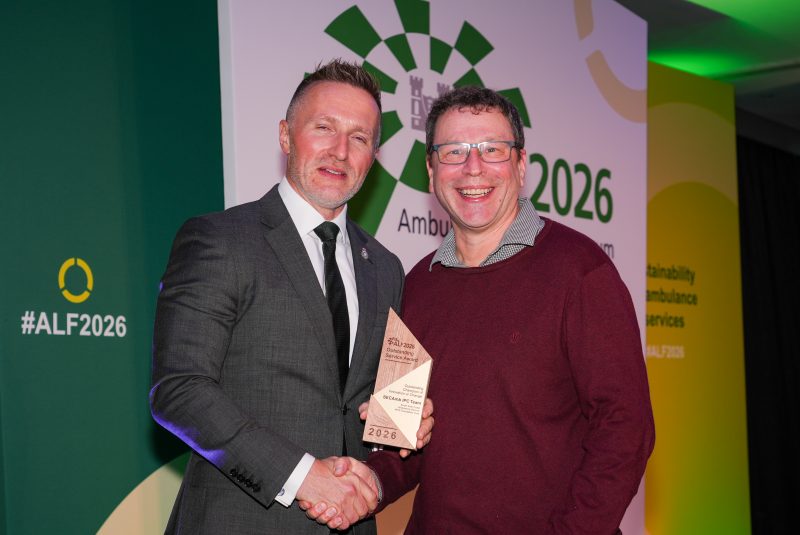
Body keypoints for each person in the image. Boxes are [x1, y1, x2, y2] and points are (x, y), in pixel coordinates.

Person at [317, 86, 655, 533]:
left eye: (492, 149)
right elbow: (398, 434)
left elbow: (625, 431)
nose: (473, 168)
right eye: (454, 151)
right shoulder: (417, 285)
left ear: (520, 164)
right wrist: (367, 486)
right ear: (431, 170)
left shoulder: (580, 271)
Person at [150, 59, 431, 535]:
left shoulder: (385, 267)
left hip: (351, 524)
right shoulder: (221, 239)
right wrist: (302, 477)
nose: (340, 151)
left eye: (359, 138)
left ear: (373, 156)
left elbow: (379, 414)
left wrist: (405, 426)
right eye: (323, 128)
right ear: (285, 136)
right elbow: (179, 390)